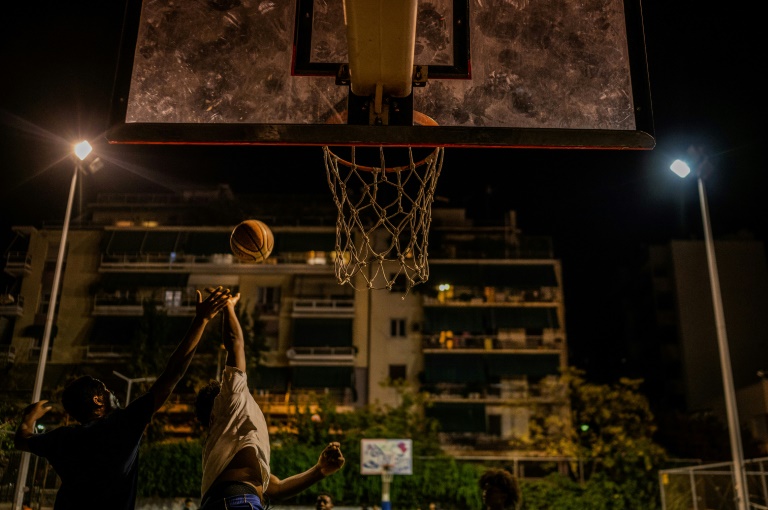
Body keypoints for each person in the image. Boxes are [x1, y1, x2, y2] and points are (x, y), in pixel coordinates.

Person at [14, 286, 233, 510]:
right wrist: (201, 320)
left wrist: (29, 417)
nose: (112, 393)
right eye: (105, 390)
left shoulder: (62, 439)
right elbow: (172, 375)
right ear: (98, 400)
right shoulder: (121, 426)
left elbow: (21, 439)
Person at [195, 293, 345, 510]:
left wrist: (319, 470)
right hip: (238, 502)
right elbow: (235, 343)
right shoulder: (229, 401)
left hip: (231, 501)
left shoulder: (232, 443)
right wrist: (228, 306)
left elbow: (276, 488)